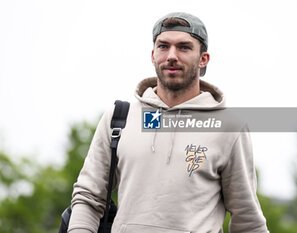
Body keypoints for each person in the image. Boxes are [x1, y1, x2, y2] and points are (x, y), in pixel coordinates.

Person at [68, 12, 269, 233]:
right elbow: (88, 197)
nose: (171, 55)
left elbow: (247, 219)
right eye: (163, 46)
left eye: (184, 47)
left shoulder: (229, 127)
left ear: (203, 59)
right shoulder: (119, 118)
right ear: (153, 55)